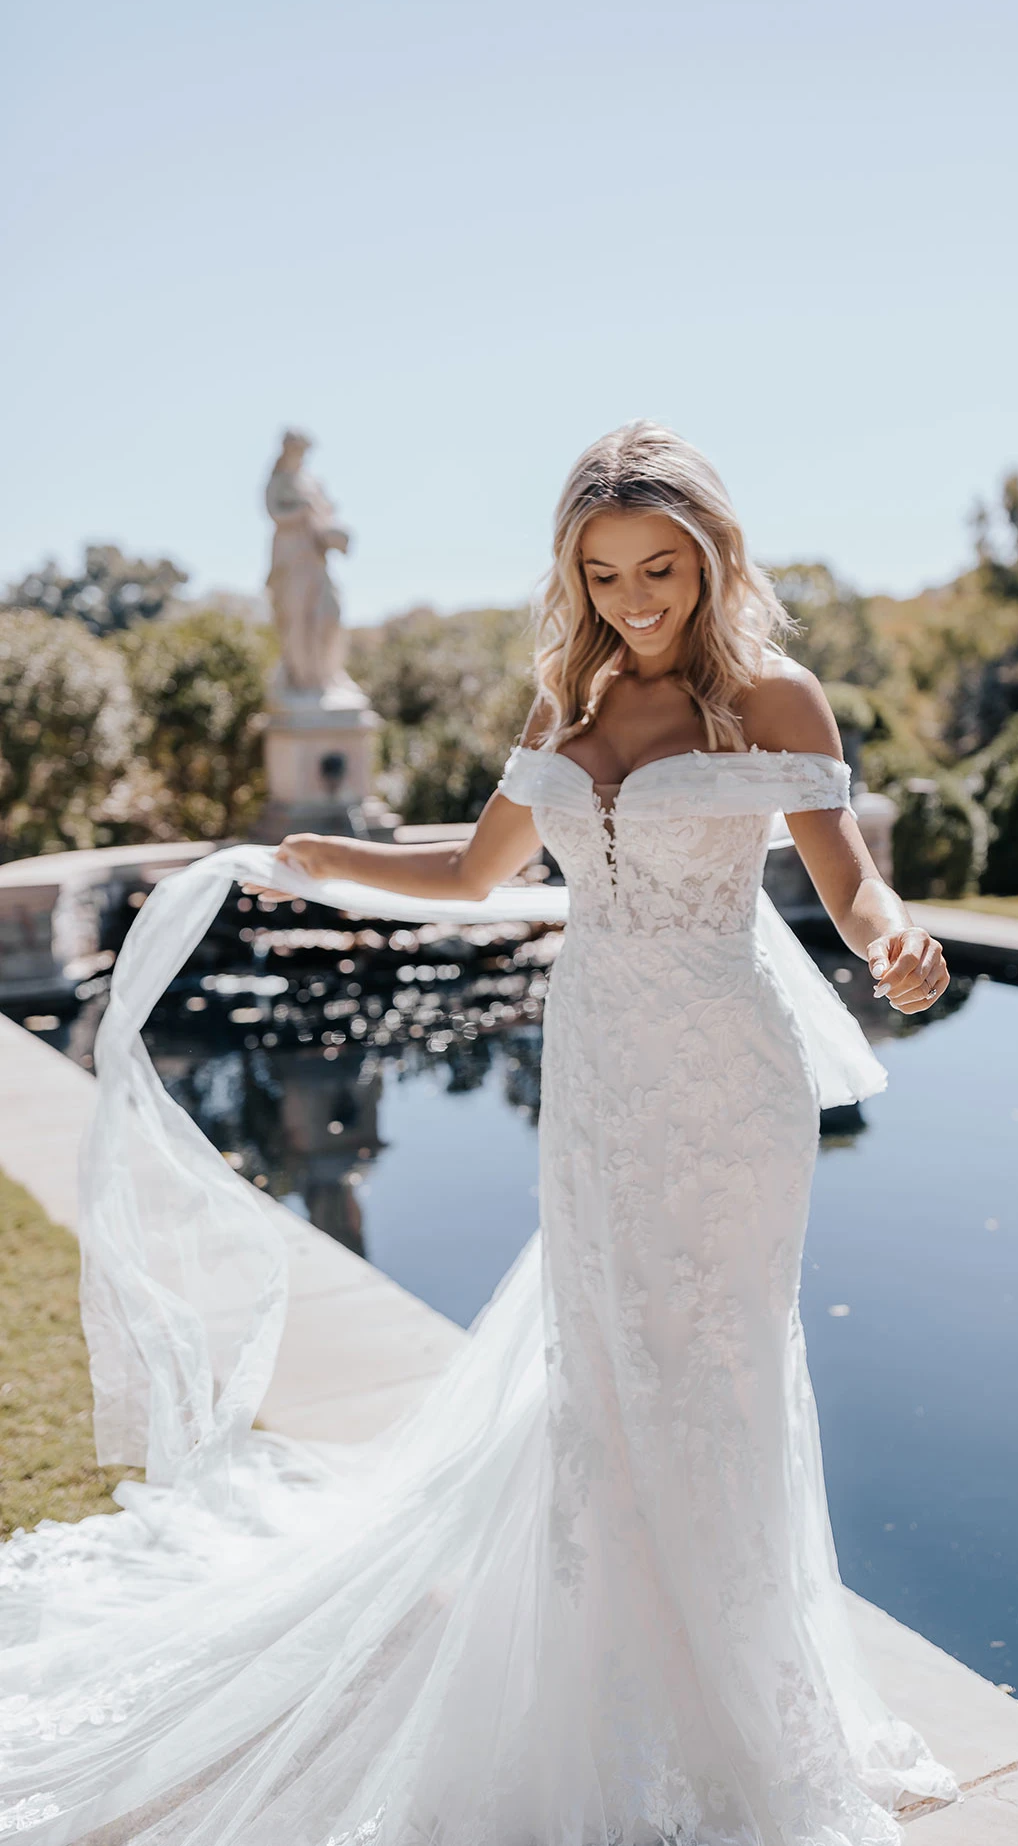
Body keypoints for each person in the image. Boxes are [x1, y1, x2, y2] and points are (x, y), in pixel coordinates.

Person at [0, 422, 957, 1845]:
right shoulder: (560, 713)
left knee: (723, 1362)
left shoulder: (777, 699)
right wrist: (321, 856)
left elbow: (852, 884)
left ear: (710, 555)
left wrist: (900, 942)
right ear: (575, 576)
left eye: (663, 568)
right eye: (607, 571)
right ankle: (613, 1685)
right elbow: (470, 866)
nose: (638, 598)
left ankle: (757, 1706)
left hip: (728, 1078)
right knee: (606, 1366)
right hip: (599, 1068)